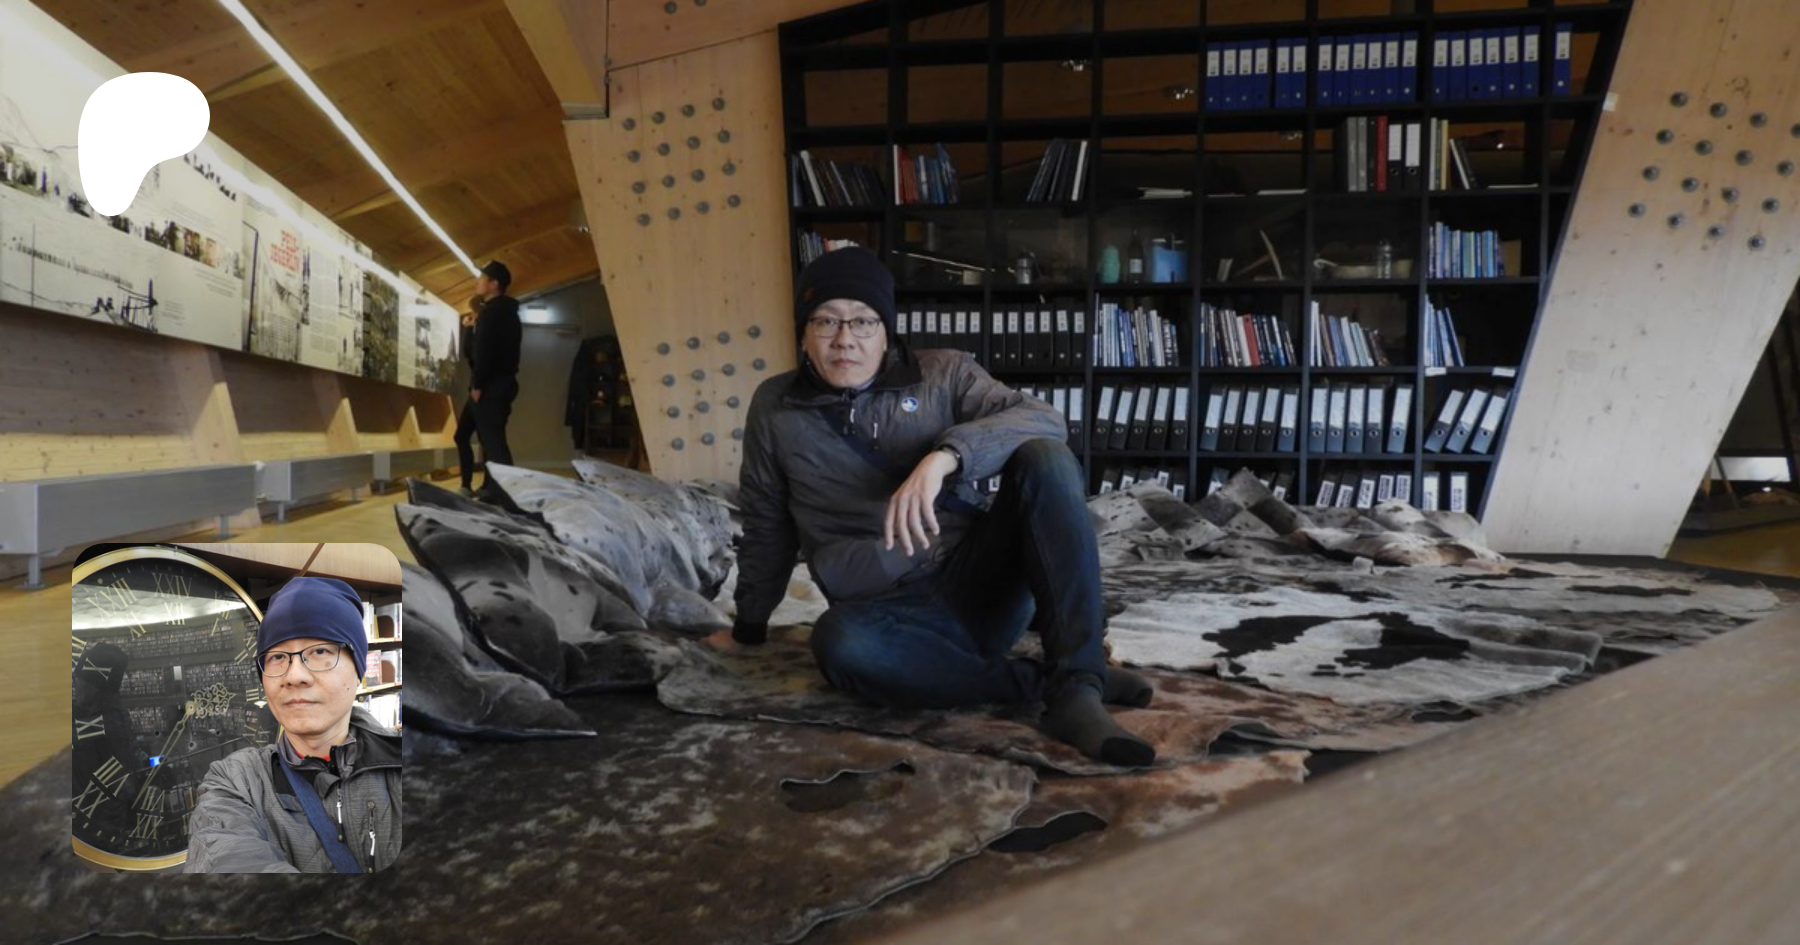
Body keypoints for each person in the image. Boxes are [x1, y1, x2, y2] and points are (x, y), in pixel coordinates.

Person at [720, 247, 1157, 767]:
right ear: (803, 333)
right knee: (838, 643)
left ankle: (1079, 686)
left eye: (863, 321)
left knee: (1045, 457)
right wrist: (750, 625)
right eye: (826, 321)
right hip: (884, 611)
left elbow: (1043, 419)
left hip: (980, 583)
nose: (845, 339)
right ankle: (1049, 684)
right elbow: (767, 521)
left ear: (886, 331)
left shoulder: (944, 373)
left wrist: (946, 457)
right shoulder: (775, 407)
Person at [185, 577, 401, 872]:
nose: (294, 676)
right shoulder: (236, 783)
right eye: (277, 657)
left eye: (320, 651)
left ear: (359, 670)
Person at [457, 260, 522, 499]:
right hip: (499, 384)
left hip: (489, 386)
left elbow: (483, 353)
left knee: (493, 443)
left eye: (482, 279)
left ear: (494, 284)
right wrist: (470, 330)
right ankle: (488, 488)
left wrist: (477, 385)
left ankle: (504, 494)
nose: (477, 282)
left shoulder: (492, 313)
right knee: (477, 437)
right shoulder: (507, 313)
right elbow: (477, 351)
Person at [454, 294, 483, 495]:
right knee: (464, 436)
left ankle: (469, 485)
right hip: (477, 389)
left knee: (480, 438)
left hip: (479, 391)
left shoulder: (483, 328)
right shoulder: (481, 327)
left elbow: (472, 354)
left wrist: (469, 330)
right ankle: (468, 484)